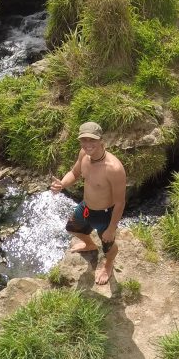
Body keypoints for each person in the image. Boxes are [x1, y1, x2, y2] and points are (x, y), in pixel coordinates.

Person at [50, 121, 127, 286]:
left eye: (92, 140)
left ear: (101, 141)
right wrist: (62, 184)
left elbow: (120, 202)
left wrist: (111, 229)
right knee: (72, 228)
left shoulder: (113, 168)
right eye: (84, 140)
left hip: (105, 214)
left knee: (108, 246)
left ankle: (108, 265)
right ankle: (89, 244)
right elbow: (75, 172)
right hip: (86, 206)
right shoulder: (83, 155)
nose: (87, 144)